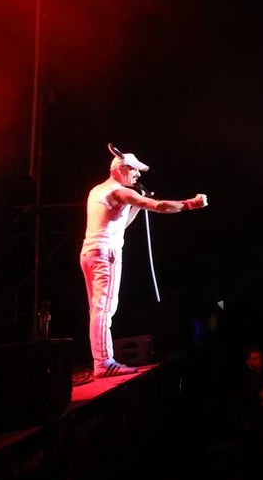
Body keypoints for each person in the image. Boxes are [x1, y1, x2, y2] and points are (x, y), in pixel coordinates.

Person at [79, 146, 208, 377]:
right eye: (134, 170)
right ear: (120, 170)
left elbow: (120, 224)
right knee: (104, 309)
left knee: (98, 309)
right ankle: (103, 363)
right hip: (105, 254)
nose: (138, 175)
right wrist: (191, 203)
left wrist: (136, 205)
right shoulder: (120, 191)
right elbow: (159, 206)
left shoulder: (98, 191)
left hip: (91, 252)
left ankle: (101, 360)